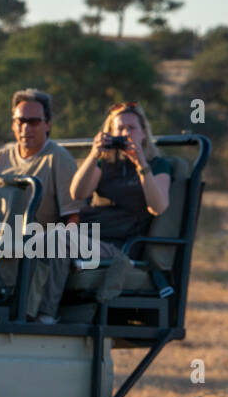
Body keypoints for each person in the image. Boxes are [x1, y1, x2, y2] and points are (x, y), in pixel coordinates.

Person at [0, 88, 87, 323]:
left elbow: (73, 219)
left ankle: (37, 313)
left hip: (35, 244)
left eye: (34, 121)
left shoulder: (58, 159)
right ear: (13, 124)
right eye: (20, 121)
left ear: (48, 124)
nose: (26, 128)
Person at [68, 102, 171, 302]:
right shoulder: (104, 163)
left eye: (131, 128)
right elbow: (78, 193)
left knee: (56, 241)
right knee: (43, 244)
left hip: (121, 246)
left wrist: (141, 163)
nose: (125, 133)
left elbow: (158, 207)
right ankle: (43, 315)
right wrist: (94, 154)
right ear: (110, 133)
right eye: (120, 128)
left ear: (143, 133)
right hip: (89, 236)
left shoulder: (157, 165)